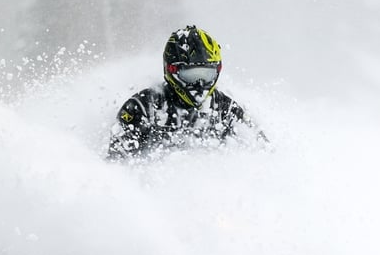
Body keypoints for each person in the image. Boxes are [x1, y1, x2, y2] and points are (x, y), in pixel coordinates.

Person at [107, 25, 265, 160]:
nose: (200, 85)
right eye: (191, 75)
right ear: (171, 70)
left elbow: (263, 154)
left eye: (207, 75)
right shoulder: (143, 107)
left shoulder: (226, 109)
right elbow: (116, 164)